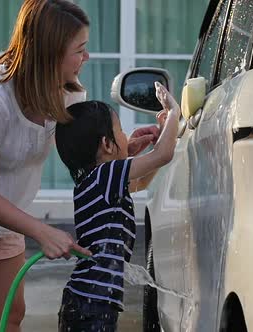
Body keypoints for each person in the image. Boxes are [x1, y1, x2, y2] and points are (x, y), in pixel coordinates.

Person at [0, 0, 159, 331]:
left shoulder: (69, 96)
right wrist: (42, 231)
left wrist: (123, 151)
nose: (87, 58)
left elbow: (90, 165)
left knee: (11, 314)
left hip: (5, 198)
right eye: (79, 50)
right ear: (50, 53)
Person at [55, 82, 181, 331]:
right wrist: (174, 115)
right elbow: (163, 155)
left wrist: (150, 142)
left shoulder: (93, 180)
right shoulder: (106, 175)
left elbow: (141, 181)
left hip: (85, 301)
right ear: (107, 144)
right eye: (121, 131)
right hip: (93, 305)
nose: (127, 136)